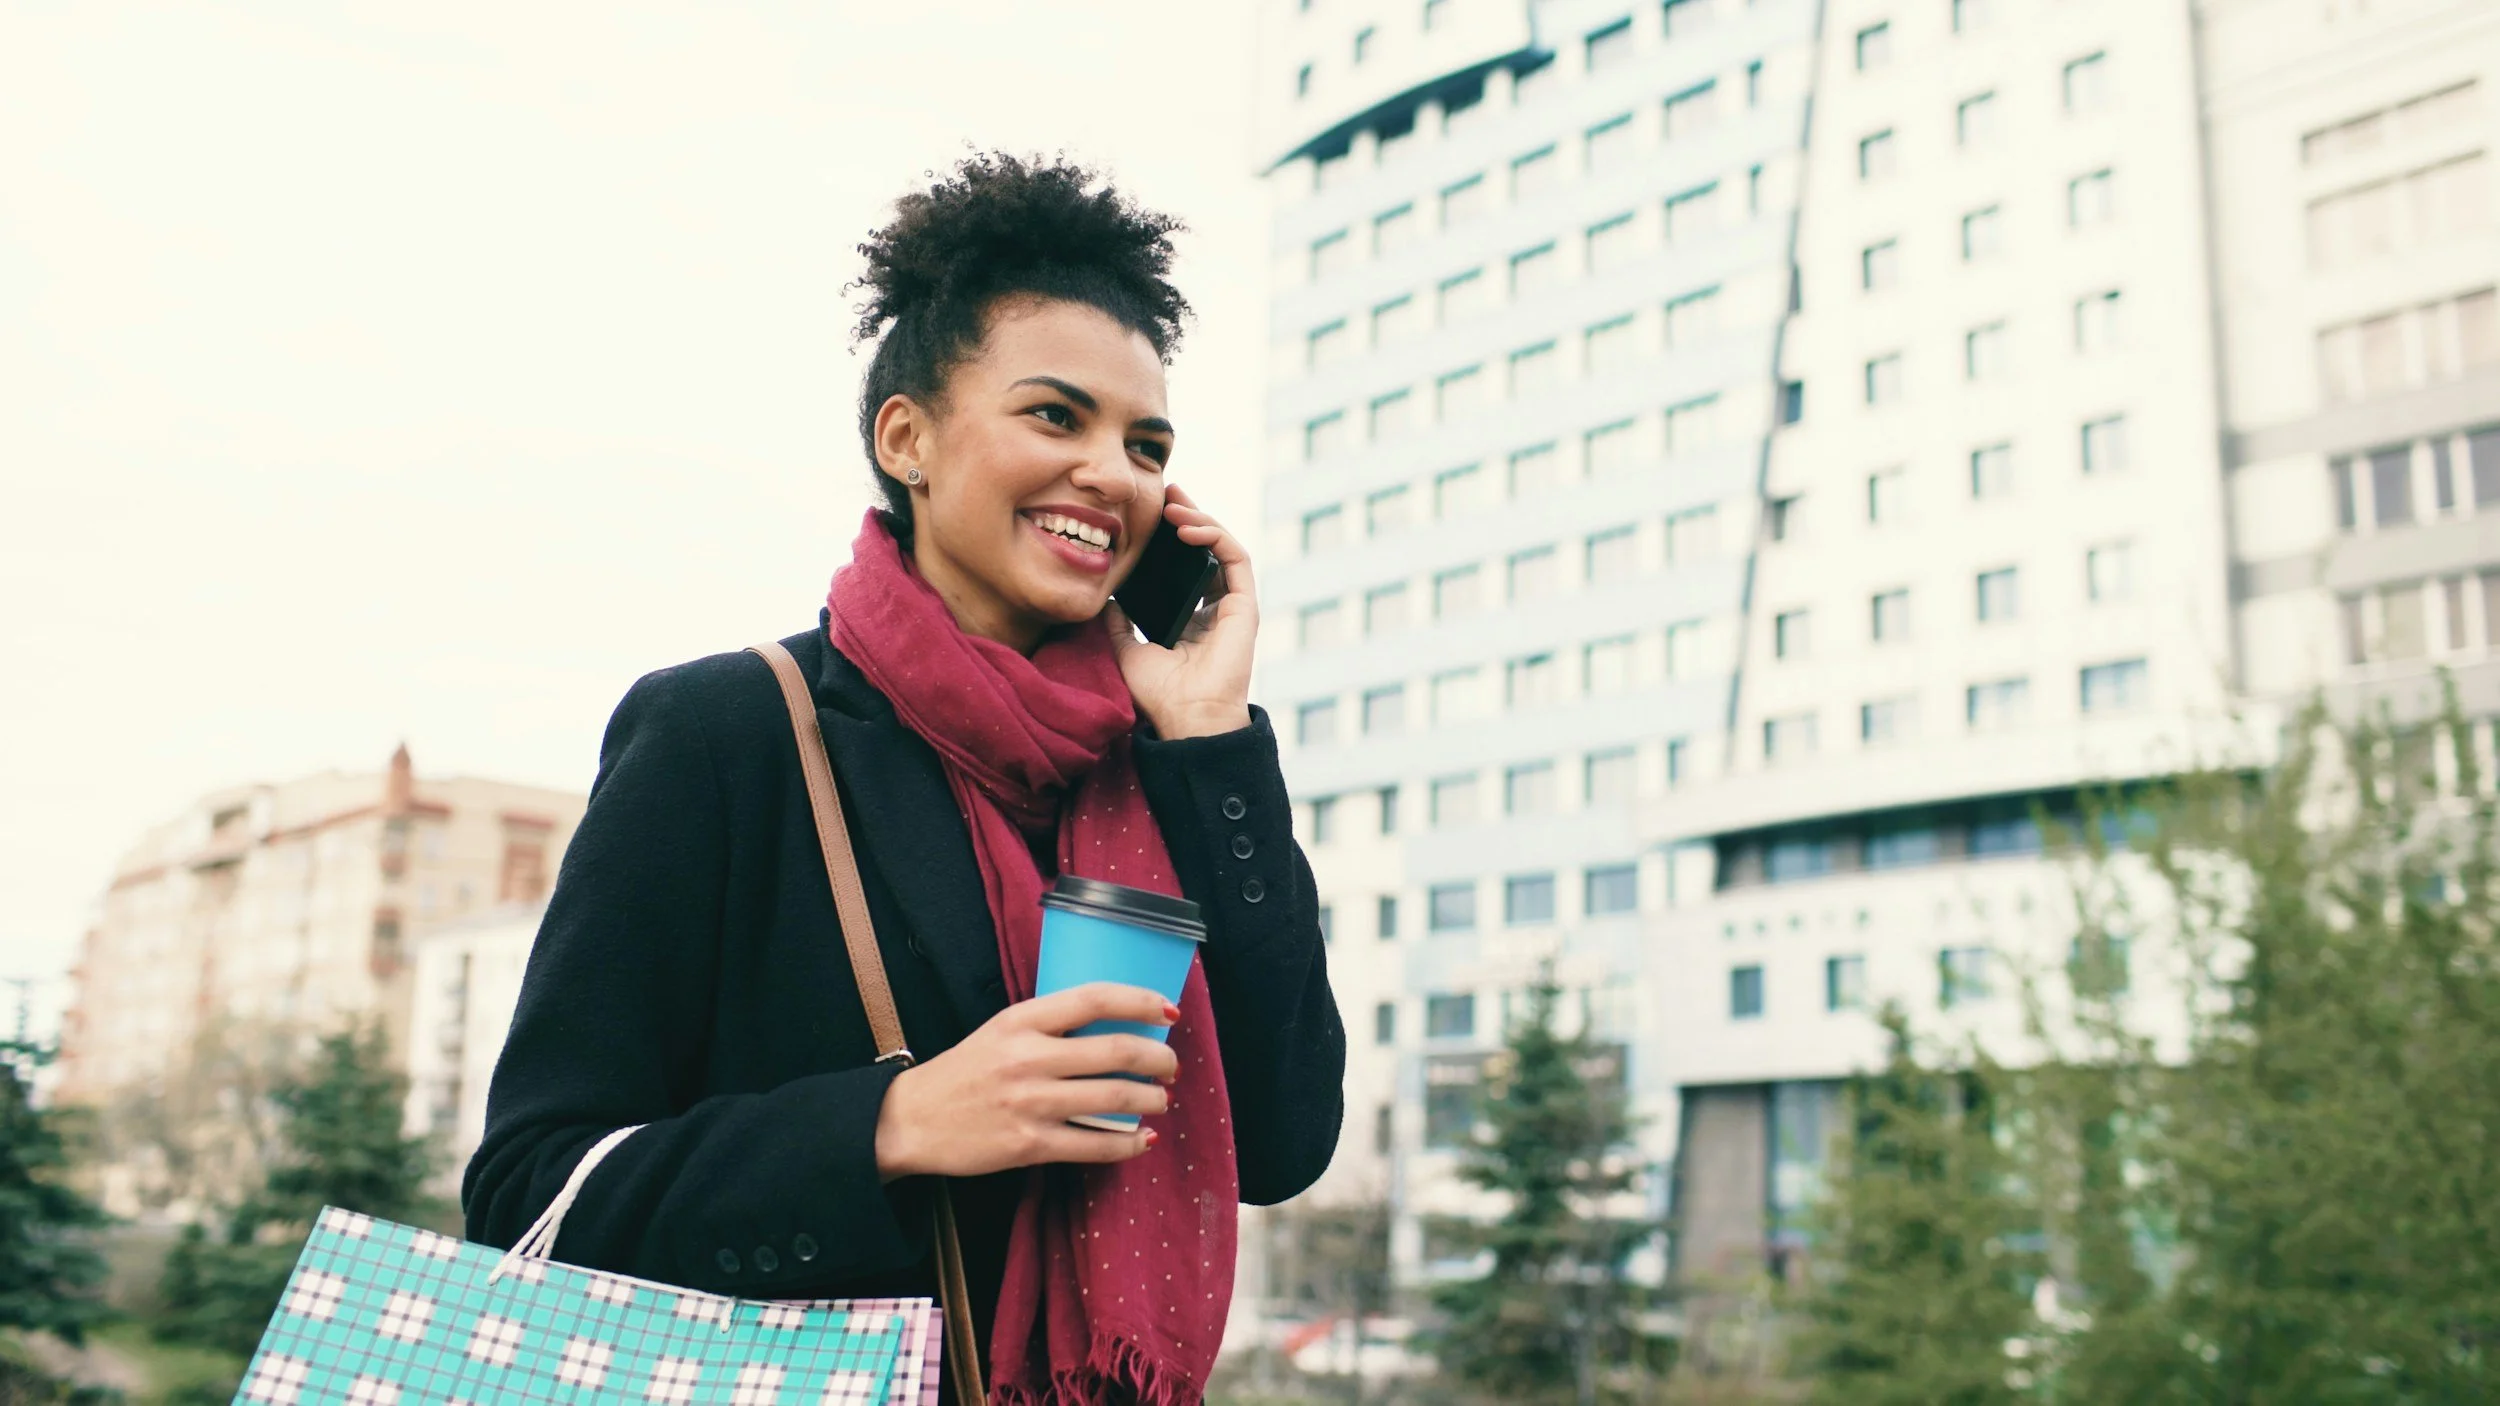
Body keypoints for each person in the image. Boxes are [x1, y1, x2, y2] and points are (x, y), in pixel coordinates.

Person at [464, 153, 1346, 1404]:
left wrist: (1210, 739)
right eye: (1057, 415)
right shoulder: (728, 731)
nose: (1114, 472)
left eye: (1147, 444)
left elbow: (1286, 1140)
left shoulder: (1165, 778)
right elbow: (530, 1193)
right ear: (908, 437)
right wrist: (893, 1124)